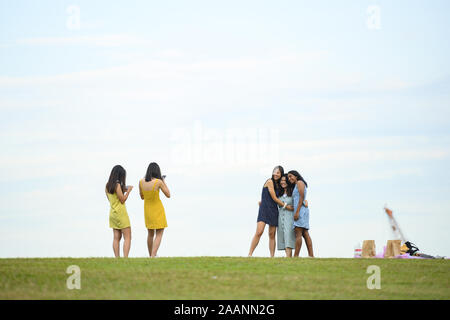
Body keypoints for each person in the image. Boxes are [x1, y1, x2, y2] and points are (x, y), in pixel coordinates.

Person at [248, 165, 287, 257]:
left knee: (272, 234)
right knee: (259, 232)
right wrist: (285, 206)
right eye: (274, 172)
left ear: (281, 174)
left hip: (273, 210)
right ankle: (250, 254)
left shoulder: (279, 185)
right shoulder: (269, 181)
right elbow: (273, 197)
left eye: (278, 172)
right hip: (264, 209)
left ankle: (272, 256)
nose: (275, 174)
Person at [139, 162, 170, 258]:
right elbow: (168, 194)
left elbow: (142, 197)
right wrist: (163, 180)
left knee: (150, 234)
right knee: (159, 233)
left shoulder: (141, 182)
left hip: (147, 210)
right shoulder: (158, 182)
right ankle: (153, 255)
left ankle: (150, 255)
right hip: (157, 209)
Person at [105, 165, 132, 258]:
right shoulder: (117, 185)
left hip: (112, 213)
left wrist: (123, 189)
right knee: (127, 237)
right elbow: (122, 199)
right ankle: (125, 258)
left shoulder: (107, 185)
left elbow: (111, 199)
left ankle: (117, 258)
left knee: (116, 237)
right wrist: (128, 191)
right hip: (121, 213)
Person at [288, 170, 314, 257]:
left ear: (296, 176)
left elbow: (302, 197)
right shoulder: (296, 185)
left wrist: (297, 211)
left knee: (298, 233)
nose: (289, 178)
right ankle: (311, 255)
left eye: (291, 176)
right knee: (305, 233)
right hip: (301, 209)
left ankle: (296, 256)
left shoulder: (299, 182)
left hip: (301, 210)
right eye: (288, 177)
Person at [276, 174, 296, 257]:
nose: (282, 182)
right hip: (280, 217)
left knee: (288, 236)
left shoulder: (293, 191)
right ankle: (288, 257)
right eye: (281, 180)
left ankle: (288, 257)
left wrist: (305, 201)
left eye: (284, 180)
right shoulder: (279, 192)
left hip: (290, 217)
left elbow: (297, 203)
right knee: (283, 237)